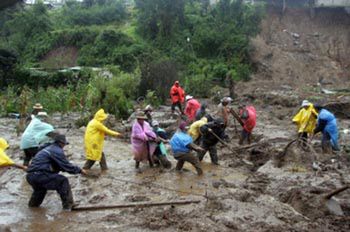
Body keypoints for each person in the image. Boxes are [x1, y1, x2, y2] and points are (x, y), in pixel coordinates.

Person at [26, 134, 87, 210]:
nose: (64, 146)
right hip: (40, 175)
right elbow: (66, 166)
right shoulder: (56, 150)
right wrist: (80, 170)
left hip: (31, 176)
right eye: (64, 144)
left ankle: (32, 208)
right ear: (61, 143)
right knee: (62, 181)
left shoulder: (47, 149)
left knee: (40, 190)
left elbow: (59, 166)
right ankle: (68, 206)